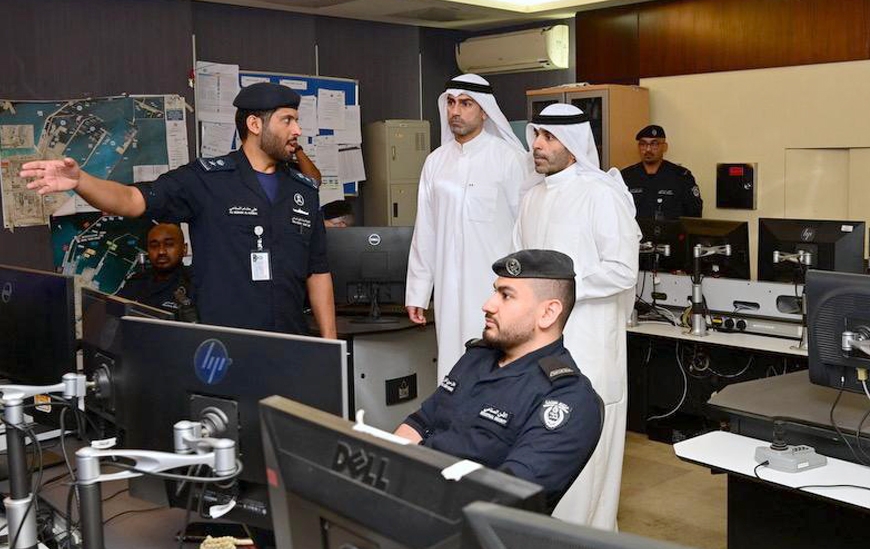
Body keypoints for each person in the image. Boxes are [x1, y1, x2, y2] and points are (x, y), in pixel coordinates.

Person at [22, 82, 336, 339]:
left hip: (293, 344)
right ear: (255, 124)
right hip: (226, 347)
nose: (297, 129)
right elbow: (132, 200)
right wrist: (81, 181)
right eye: (287, 120)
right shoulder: (207, 180)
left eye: (296, 120)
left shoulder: (303, 190)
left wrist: (330, 343)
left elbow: (318, 271)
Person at [393, 250, 602, 509]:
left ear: (548, 313)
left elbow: (506, 494)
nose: (488, 305)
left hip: (456, 519)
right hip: (406, 498)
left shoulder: (566, 397)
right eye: (495, 292)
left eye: (506, 296)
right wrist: (383, 473)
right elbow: (420, 423)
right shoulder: (478, 357)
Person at [514, 103, 640, 530]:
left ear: (573, 145)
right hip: (541, 343)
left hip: (590, 341)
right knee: (545, 440)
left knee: (591, 448)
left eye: (549, 137)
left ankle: (593, 539)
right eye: (536, 135)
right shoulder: (531, 198)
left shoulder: (601, 194)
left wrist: (561, 290)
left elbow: (622, 269)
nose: (537, 145)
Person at [405, 74, 532, 381]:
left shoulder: (511, 159)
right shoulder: (435, 162)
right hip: (448, 289)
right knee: (452, 366)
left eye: (465, 104)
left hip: (496, 288)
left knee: (497, 367)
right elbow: (426, 232)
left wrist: (523, 291)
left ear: (485, 110)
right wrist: (418, 292)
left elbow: (526, 231)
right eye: (450, 103)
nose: (455, 111)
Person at [117, 222, 197, 321]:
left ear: (184, 249)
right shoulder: (136, 282)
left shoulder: (195, 284)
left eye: (169, 244)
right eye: (154, 246)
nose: (161, 251)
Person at [620, 124, 702, 219]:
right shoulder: (626, 176)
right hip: (636, 229)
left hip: (671, 229)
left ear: (665, 147)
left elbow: (694, 214)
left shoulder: (681, 177)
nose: (648, 149)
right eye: (643, 144)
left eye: (654, 144)